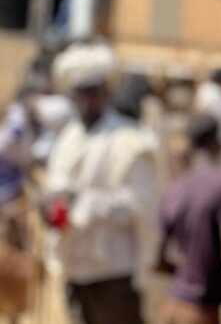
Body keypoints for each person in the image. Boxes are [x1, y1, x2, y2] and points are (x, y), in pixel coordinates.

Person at [43, 43, 158, 324]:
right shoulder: (68, 139)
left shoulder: (130, 140)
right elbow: (56, 188)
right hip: (74, 266)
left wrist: (83, 202)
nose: (87, 100)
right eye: (80, 93)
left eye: (93, 92)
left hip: (114, 271)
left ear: (105, 93)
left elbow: (139, 206)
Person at [156, 113, 221, 324]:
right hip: (204, 312)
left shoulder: (175, 189)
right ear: (218, 142)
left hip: (172, 308)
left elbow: (157, 261)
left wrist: (189, 272)